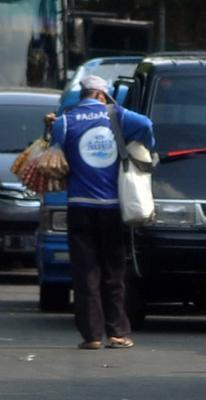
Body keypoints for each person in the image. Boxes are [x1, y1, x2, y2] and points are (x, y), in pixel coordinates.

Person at [48, 75, 155, 350]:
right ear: (101, 95)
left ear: (83, 94)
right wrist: (144, 145)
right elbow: (146, 125)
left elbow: (53, 154)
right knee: (114, 271)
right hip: (111, 207)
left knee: (85, 273)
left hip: (79, 206)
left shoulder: (65, 121)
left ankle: (92, 336)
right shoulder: (116, 114)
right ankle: (118, 333)